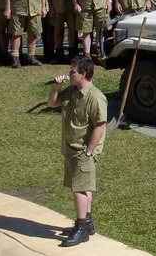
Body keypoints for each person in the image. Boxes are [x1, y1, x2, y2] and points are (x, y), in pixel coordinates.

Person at [46, 56, 107, 248]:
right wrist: (55, 88)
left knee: (79, 189)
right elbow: (52, 104)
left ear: (83, 74)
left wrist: (89, 151)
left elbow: (100, 125)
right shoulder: (72, 91)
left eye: (72, 71)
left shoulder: (95, 97)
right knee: (83, 186)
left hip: (82, 151)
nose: (69, 74)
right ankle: (87, 223)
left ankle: (81, 228)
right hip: (71, 148)